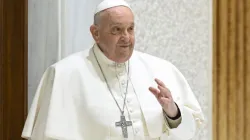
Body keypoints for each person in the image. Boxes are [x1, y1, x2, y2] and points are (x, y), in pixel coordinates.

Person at [22, 0, 205, 139]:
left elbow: (191, 129)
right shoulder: (63, 74)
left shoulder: (160, 69)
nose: (126, 37)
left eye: (130, 29)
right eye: (116, 30)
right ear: (95, 33)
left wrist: (172, 112)